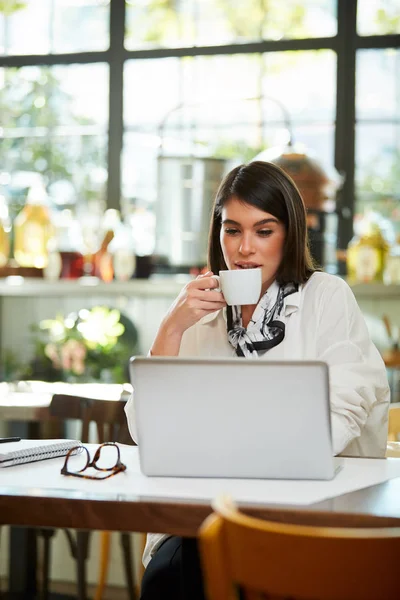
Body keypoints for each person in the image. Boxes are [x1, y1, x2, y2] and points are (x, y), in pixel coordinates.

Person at [125, 160, 390, 600]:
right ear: (218, 233)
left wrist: (240, 456)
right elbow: (146, 434)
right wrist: (170, 330)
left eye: (263, 231)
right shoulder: (196, 309)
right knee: (171, 576)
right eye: (233, 230)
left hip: (310, 512)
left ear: (290, 234)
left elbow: (341, 418)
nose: (244, 249)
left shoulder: (326, 297)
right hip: (205, 514)